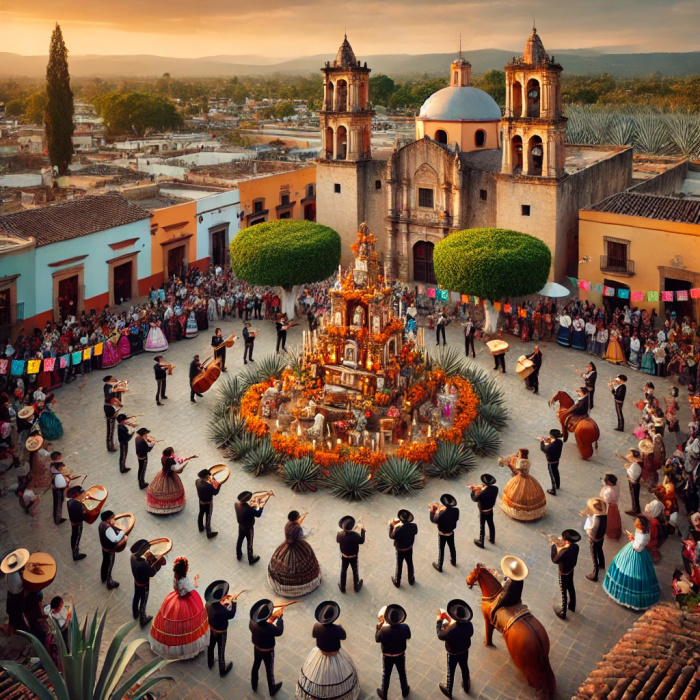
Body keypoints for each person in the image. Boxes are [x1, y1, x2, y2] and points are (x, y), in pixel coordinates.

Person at [297, 600, 360, 700]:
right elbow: (344, 637)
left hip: (321, 654)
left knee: (321, 676)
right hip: (335, 654)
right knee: (336, 676)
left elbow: (314, 635)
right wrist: (340, 626)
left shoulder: (317, 626)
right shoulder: (337, 629)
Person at [149, 557, 210, 659]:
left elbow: (178, 588)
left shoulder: (176, 578)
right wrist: (196, 580)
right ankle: (186, 648)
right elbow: (193, 587)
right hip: (187, 601)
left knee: (174, 622)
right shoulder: (184, 581)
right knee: (188, 623)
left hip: (176, 599)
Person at [603, 516, 660, 610]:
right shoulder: (645, 532)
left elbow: (637, 548)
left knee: (629, 573)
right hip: (638, 551)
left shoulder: (642, 537)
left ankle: (625, 598)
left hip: (635, 554)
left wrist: (631, 538)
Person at [268, 510, 322, 597]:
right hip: (298, 546)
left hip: (287, 545)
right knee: (304, 560)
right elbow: (300, 536)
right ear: (297, 518)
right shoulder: (298, 528)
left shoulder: (287, 525)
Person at [436, 599, 473, 698]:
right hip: (464, 650)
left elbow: (440, 635)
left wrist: (439, 621)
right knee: (464, 667)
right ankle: (466, 685)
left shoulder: (450, 630)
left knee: (451, 671)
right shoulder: (469, 625)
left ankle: (449, 690)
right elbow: (470, 634)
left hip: (452, 653)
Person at [498, 449, 547, 521]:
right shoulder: (528, 461)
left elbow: (517, 468)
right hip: (527, 476)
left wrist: (509, 462)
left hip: (520, 477)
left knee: (515, 491)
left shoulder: (520, 461)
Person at [249, 598, 284, 696]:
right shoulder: (269, 628)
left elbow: (265, 625)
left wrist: (271, 619)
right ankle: (272, 688)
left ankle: (254, 684)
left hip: (257, 647)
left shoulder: (252, 622)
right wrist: (280, 619)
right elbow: (279, 631)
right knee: (269, 670)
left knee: (256, 665)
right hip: (268, 652)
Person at [375, 604, 411, 700]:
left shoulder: (383, 630)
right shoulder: (404, 627)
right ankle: (405, 690)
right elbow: (408, 636)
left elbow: (377, 639)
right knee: (402, 672)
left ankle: (384, 692)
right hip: (400, 654)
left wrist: (378, 628)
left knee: (386, 674)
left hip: (387, 656)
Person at [145, 447, 195, 515]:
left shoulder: (163, 457)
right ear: (171, 453)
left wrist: (189, 457)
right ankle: (170, 506)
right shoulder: (171, 461)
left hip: (162, 473)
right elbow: (177, 469)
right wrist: (185, 464)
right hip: (170, 476)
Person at [205, 580, 238, 678]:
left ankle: (210, 662)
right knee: (221, 650)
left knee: (211, 646)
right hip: (221, 632)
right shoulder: (223, 611)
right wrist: (234, 603)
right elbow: (231, 614)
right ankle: (222, 669)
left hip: (212, 628)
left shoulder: (208, 604)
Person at [130, 538, 165, 627]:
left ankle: (135, 613)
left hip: (136, 581)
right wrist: (158, 562)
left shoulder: (132, 557)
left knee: (136, 596)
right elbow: (152, 573)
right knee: (144, 600)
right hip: (144, 584)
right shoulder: (143, 564)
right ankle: (143, 619)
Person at [551, 529, 581, 620]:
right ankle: (572, 605)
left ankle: (563, 612)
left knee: (563, 591)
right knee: (571, 587)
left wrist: (553, 546)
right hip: (570, 570)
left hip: (563, 573)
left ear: (566, 541)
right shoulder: (575, 547)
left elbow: (554, 560)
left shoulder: (564, 551)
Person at [490, 556, 528, 625]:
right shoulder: (520, 580)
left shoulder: (510, 582)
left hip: (508, 602)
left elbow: (504, 595)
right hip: (517, 600)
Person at [2, 548, 29, 634]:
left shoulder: (9, 574)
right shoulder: (17, 578)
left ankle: (12, 626)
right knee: (18, 613)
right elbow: (22, 586)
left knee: (12, 613)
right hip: (17, 596)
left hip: (11, 595)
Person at [430, 494, 459, 572]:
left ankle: (440, 566)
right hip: (451, 532)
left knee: (441, 550)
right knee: (452, 547)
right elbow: (455, 518)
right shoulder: (456, 510)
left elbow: (434, 520)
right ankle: (453, 561)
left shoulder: (441, 514)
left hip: (442, 534)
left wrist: (433, 512)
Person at [389, 509, 418, 588]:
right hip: (409, 548)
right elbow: (415, 532)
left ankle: (397, 581)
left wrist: (392, 527)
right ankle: (411, 579)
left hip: (400, 550)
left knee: (399, 564)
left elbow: (391, 536)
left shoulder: (398, 529)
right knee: (410, 563)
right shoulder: (414, 526)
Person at [337, 515, 365, 593]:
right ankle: (356, 586)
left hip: (344, 556)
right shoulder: (355, 535)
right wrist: (362, 530)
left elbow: (339, 540)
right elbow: (362, 541)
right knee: (355, 570)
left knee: (343, 570)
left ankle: (342, 587)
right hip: (353, 556)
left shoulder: (340, 534)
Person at [98, 510, 125, 590]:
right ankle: (109, 583)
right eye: (113, 518)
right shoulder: (108, 528)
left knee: (105, 563)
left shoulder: (101, 524)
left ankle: (103, 577)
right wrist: (122, 532)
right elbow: (115, 539)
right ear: (109, 519)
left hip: (104, 548)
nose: (114, 520)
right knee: (109, 565)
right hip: (109, 551)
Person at [583, 497, 607, 582]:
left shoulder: (596, 519)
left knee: (594, 557)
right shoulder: (603, 515)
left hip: (594, 540)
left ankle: (594, 574)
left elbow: (591, 530)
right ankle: (602, 564)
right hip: (601, 538)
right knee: (600, 550)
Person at [471, 474, 498, 549]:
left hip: (483, 512)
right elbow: (489, 491)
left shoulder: (483, 493)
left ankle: (481, 542)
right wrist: (484, 488)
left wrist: (473, 490)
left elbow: (475, 499)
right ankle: (492, 539)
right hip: (490, 510)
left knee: (482, 526)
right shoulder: (495, 488)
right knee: (491, 524)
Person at [235, 490, 262, 565]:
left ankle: (238, 554)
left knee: (240, 540)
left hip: (241, 526)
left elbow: (246, 510)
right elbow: (258, 514)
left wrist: (251, 506)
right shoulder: (248, 509)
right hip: (248, 528)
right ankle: (251, 558)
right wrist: (259, 506)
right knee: (249, 543)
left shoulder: (236, 504)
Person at [195, 468, 221, 539]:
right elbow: (215, 492)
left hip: (201, 501)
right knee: (208, 516)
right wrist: (219, 485)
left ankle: (200, 527)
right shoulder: (208, 486)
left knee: (201, 513)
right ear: (206, 477)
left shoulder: (197, 481)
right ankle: (208, 533)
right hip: (208, 503)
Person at [539, 429, 563, 496]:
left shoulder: (550, 447)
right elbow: (554, 442)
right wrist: (550, 441)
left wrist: (542, 442)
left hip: (551, 462)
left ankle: (553, 490)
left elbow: (543, 449)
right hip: (557, 460)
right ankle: (558, 485)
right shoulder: (560, 442)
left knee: (552, 475)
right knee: (556, 472)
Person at [66, 485, 87, 561]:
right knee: (76, 538)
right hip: (77, 524)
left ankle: (74, 550)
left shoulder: (70, 502)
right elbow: (81, 517)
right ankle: (75, 555)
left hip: (73, 522)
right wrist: (84, 511)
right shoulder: (77, 504)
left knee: (74, 537)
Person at [600, 474, 622, 540]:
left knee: (610, 520)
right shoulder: (616, 486)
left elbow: (606, 500)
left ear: (610, 482)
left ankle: (611, 534)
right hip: (614, 505)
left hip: (610, 506)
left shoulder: (609, 491)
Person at [624, 448, 643, 516]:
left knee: (634, 497)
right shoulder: (638, 464)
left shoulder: (635, 466)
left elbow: (632, 475)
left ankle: (635, 510)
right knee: (635, 496)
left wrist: (627, 469)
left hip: (633, 483)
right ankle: (636, 509)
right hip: (636, 482)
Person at [50, 453, 67, 525]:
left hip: (55, 488)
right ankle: (58, 519)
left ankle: (59, 516)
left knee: (57, 503)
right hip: (59, 490)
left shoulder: (51, 465)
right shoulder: (58, 467)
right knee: (59, 504)